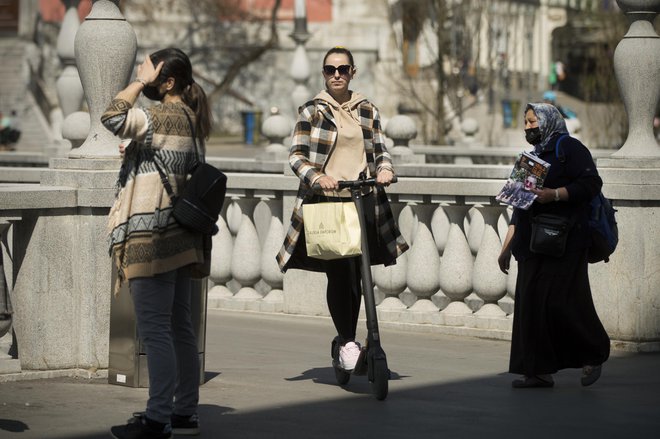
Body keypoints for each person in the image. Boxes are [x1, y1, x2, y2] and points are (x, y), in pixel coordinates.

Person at [101, 48, 212, 439]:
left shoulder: (162, 115)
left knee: (155, 330)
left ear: (167, 82)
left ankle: (157, 417)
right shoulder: (190, 118)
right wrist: (135, 155)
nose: (143, 75)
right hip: (182, 239)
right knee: (180, 327)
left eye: (150, 72)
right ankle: (184, 413)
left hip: (154, 239)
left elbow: (112, 116)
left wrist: (136, 84)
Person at [276, 46, 408, 371]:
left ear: (353, 72)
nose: (337, 75)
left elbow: (380, 149)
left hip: (361, 199)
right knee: (339, 274)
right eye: (330, 69)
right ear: (323, 74)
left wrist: (386, 170)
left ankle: (353, 341)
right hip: (327, 203)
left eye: (343, 69)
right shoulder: (311, 111)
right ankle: (347, 341)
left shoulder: (367, 109)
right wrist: (318, 176)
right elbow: (295, 156)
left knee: (357, 275)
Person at [497, 103, 610, 389]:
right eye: (526, 122)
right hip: (532, 244)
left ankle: (594, 354)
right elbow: (519, 205)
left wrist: (556, 195)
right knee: (530, 305)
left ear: (547, 121)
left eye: (533, 121)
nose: (528, 127)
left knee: (566, 302)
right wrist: (507, 246)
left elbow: (591, 183)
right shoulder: (532, 157)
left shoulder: (568, 148)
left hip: (567, 243)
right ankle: (537, 371)